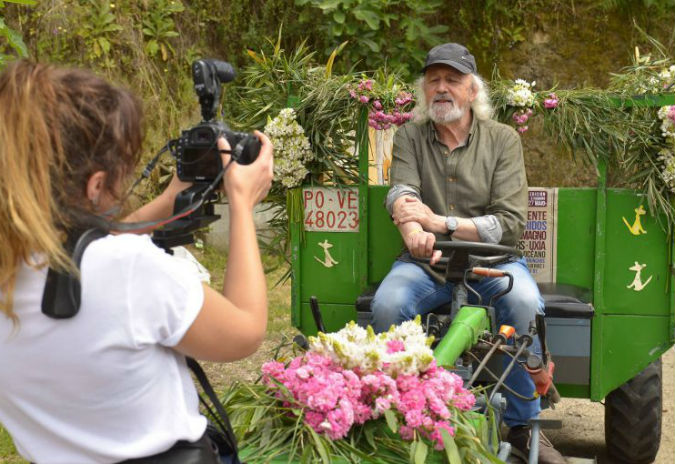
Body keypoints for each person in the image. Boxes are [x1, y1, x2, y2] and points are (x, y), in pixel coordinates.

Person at [0, 60, 273, 463]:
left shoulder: (17, 265)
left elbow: (78, 248)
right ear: (95, 185)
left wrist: (168, 201)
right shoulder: (129, 270)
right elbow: (245, 331)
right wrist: (242, 203)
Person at [370, 43, 565, 464]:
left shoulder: (503, 140)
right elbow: (402, 194)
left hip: (494, 264)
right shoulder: (409, 136)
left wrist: (438, 224)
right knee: (388, 304)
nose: (442, 88)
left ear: (473, 89)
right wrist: (410, 229)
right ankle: (407, 412)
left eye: (453, 80)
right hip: (428, 265)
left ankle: (524, 424)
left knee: (526, 302)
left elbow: (510, 222)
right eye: (434, 80)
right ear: (424, 89)